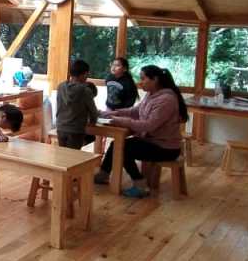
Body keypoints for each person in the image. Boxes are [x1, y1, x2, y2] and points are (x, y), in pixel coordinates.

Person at [97, 65, 188, 198]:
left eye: (143, 79)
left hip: (166, 148)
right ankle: (103, 175)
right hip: (153, 141)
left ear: (155, 79)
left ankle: (140, 185)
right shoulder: (151, 94)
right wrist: (113, 113)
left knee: (123, 148)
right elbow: (135, 111)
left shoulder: (166, 100)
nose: (140, 82)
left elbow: (148, 125)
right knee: (117, 144)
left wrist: (118, 120)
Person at [55, 59, 99, 149]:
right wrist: (93, 122)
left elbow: (59, 106)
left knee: (62, 155)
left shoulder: (61, 87)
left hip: (60, 127)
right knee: (73, 156)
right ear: (85, 74)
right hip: (76, 129)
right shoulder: (85, 90)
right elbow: (93, 112)